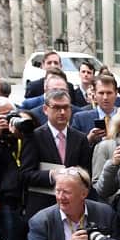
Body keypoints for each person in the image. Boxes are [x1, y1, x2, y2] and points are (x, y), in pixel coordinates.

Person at [18, 89, 92, 218]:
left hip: (73, 207)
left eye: (66, 107)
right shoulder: (34, 137)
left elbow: (87, 173)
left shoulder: (80, 138)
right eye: (57, 108)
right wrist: (52, 175)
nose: (62, 112)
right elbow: (25, 175)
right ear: (45, 109)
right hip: (42, 206)